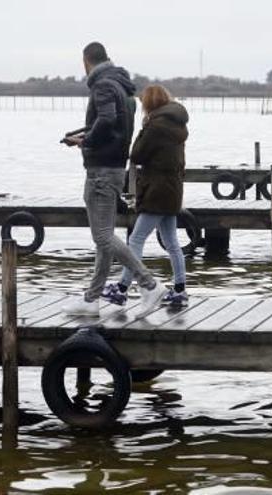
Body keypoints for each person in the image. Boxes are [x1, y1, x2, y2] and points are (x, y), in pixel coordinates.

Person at [61, 42, 166, 318]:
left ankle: (150, 284)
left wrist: (86, 142)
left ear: (86, 61)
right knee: (103, 239)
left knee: (104, 236)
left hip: (101, 170)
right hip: (115, 167)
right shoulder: (122, 87)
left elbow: (106, 120)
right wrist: (88, 136)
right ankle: (92, 299)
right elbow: (116, 125)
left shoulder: (103, 86)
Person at [101, 85, 190, 307]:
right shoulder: (178, 124)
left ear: (148, 104)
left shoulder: (155, 126)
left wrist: (143, 128)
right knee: (172, 242)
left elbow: (136, 154)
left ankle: (121, 288)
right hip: (173, 189)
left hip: (156, 190)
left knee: (136, 239)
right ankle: (180, 289)